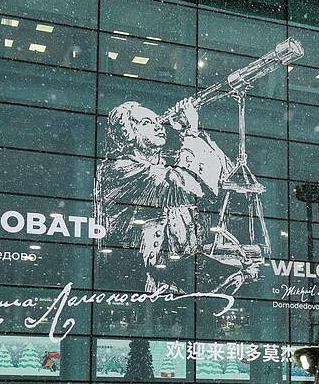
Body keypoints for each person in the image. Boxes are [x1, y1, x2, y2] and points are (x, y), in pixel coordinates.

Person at [94, 97, 231, 276]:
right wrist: (191, 133)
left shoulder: (166, 164)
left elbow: (224, 173)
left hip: (173, 279)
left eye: (158, 121)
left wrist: (186, 132)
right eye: (147, 123)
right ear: (128, 132)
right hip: (134, 280)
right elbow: (194, 188)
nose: (159, 126)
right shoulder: (120, 168)